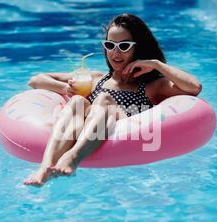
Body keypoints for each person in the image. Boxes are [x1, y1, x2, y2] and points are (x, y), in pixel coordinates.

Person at [25, 13, 202, 186]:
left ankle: (73, 157)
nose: (115, 52)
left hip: (122, 136)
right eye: (110, 45)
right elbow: (36, 80)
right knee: (78, 102)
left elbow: (194, 88)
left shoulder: (151, 86)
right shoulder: (95, 78)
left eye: (124, 46)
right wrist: (68, 89)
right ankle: (44, 167)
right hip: (84, 129)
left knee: (104, 99)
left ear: (138, 48)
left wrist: (156, 64)